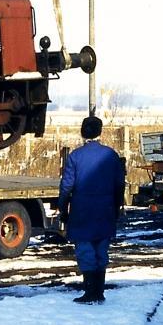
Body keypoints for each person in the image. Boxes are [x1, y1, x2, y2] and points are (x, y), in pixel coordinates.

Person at [58, 116, 126, 305]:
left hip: (82, 210)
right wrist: (117, 207)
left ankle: (90, 291)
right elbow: (120, 184)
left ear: (82, 132)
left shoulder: (75, 156)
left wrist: (63, 208)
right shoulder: (110, 155)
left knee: (85, 250)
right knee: (102, 250)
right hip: (106, 209)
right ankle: (99, 291)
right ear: (100, 131)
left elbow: (66, 186)